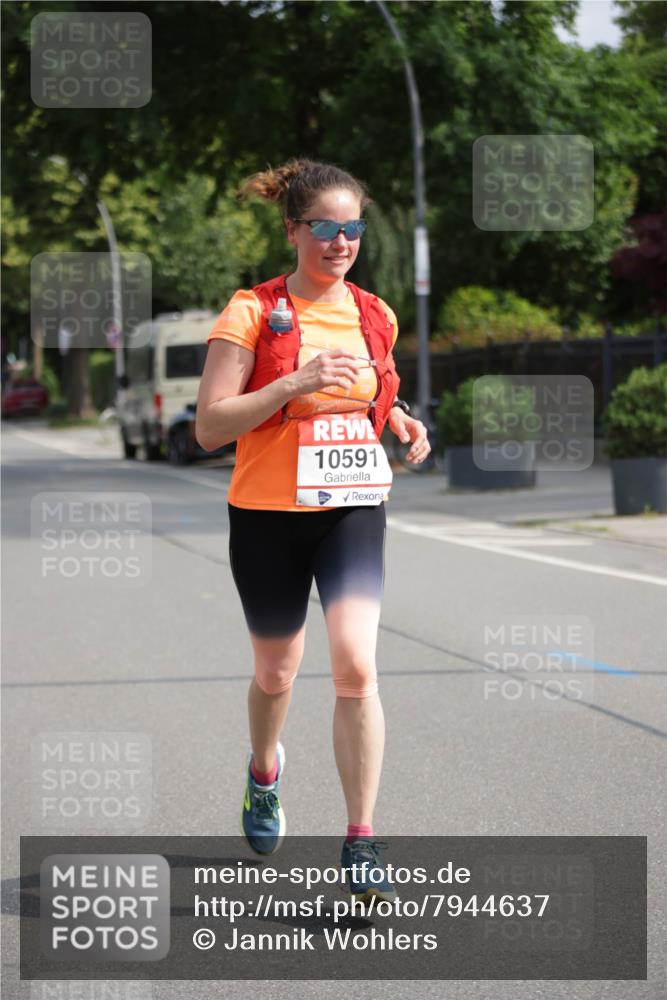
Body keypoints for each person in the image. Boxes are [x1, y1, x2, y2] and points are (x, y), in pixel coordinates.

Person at [196, 158, 430, 904]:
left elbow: (368, 392)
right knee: (277, 672)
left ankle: (361, 841)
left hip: (351, 508)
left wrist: (398, 419)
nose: (340, 241)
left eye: (352, 227)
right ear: (293, 230)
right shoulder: (251, 311)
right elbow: (210, 426)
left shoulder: (375, 312)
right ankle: (263, 772)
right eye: (325, 227)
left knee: (356, 666)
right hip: (266, 516)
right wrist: (293, 381)